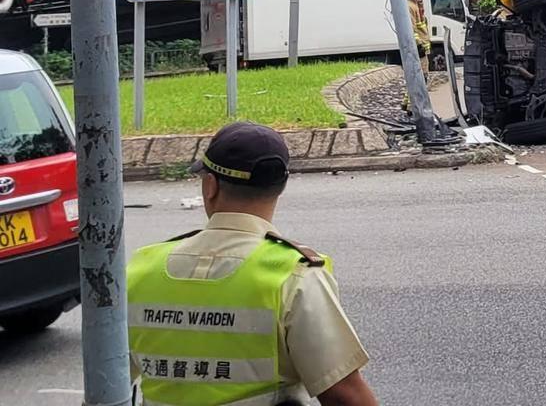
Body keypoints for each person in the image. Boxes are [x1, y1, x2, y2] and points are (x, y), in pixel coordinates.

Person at [127, 121, 378, 405]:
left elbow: (107, 382)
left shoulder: (141, 268)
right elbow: (345, 394)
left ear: (210, 186)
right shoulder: (292, 275)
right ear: (280, 188)